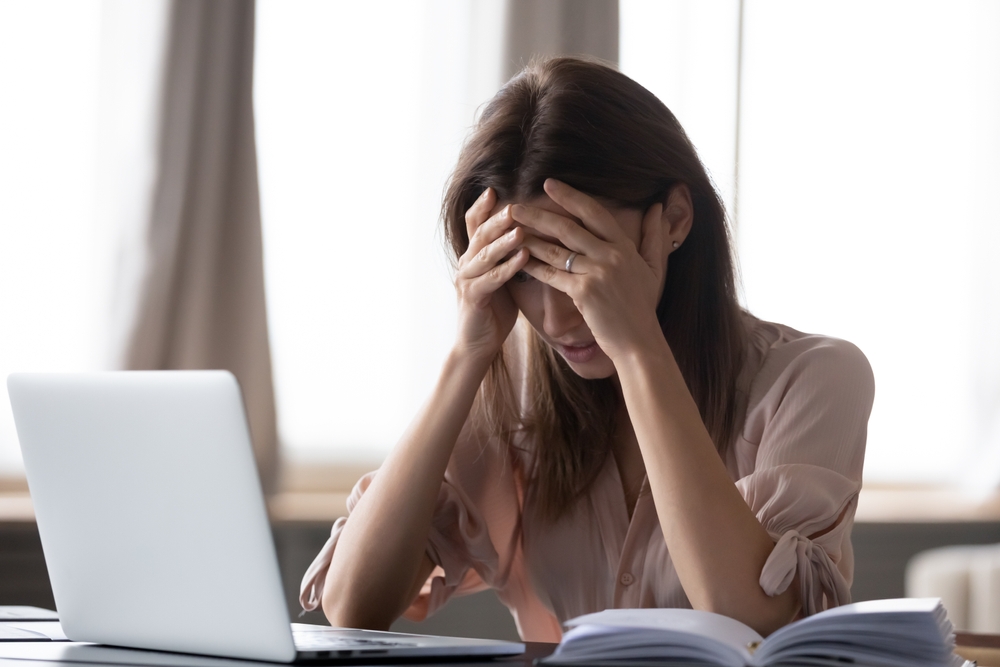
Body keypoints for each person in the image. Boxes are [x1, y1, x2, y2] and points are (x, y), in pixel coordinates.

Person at [299, 57, 874, 641]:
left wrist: (638, 350)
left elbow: (752, 622)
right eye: (523, 274)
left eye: (577, 262)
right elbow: (352, 606)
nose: (554, 317)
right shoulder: (513, 390)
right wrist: (466, 356)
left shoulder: (813, 378)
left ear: (674, 219)